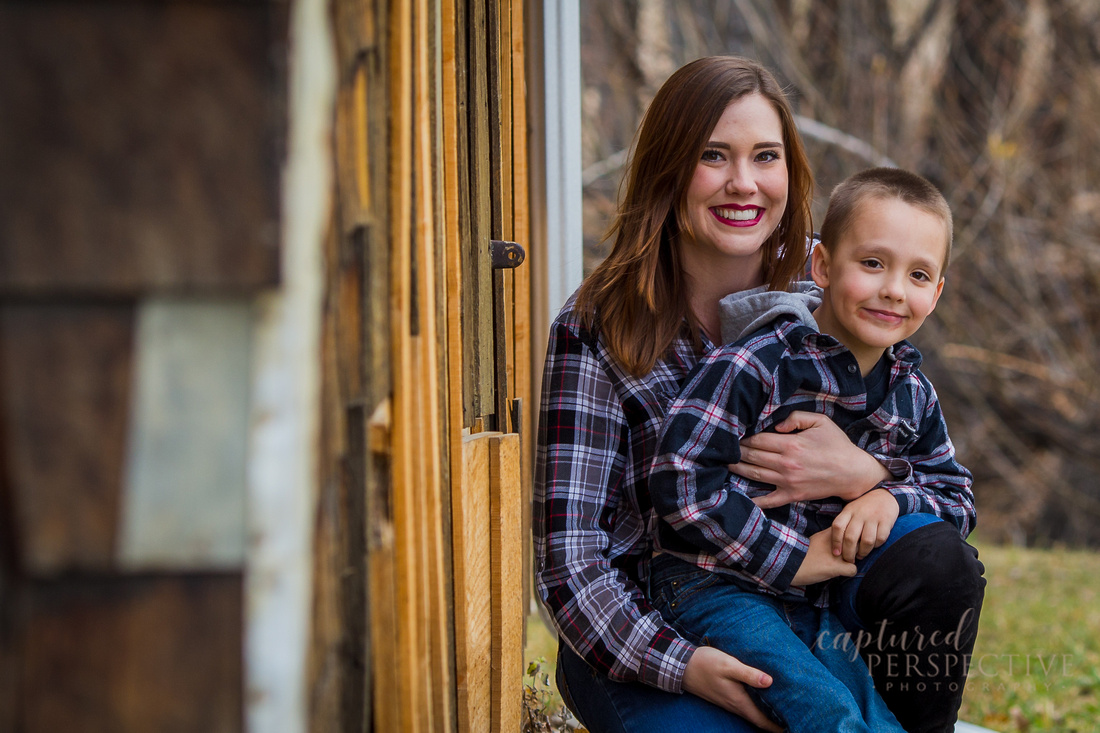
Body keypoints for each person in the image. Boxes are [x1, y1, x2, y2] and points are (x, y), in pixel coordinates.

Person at [534, 56, 984, 733]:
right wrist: (683, 664)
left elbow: (926, 458)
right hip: (658, 621)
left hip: (817, 597)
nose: (742, 182)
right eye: (713, 156)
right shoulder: (600, 324)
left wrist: (871, 475)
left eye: (764, 156)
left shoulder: (838, 280)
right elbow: (571, 563)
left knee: (934, 558)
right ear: (669, 168)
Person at [648, 167, 976, 733]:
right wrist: (792, 559)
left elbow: (957, 495)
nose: (894, 289)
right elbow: (679, 480)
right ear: (822, 266)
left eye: (918, 274)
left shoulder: (913, 392)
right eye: (872, 264)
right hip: (711, 586)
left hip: (810, 603)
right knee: (827, 714)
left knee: (873, 714)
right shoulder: (759, 362)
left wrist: (892, 497)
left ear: (937, 292)